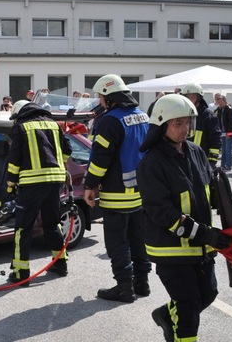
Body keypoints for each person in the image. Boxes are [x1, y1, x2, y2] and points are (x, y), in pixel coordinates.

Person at [137, 94, 232, 342]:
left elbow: (207, 190)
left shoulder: (195, 152)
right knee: (189, 308)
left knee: (208, 294)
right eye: (177, 123)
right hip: (171, 250)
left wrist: (230, 207)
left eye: (187, 122)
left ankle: (168, 317)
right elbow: (162, 213)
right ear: (162, 125)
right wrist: (205, 234)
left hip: (201, 247)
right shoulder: (151, 163)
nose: (184, 129)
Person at [83, 74, 151, 303]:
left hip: (116, 193)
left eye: (101, 97)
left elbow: (100, 159)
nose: (100, 101)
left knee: (117, 242)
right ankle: (142, 283)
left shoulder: (111, 120)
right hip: (140, 191)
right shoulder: (142, 115)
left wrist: (90, 185)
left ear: (109, 98)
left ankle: (124, 288)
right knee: (137, 238)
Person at [5, 100, 72, 285]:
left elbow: (14, 159)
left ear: (19, 113)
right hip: (55, 182)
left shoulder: (21, 126)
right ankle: (60, 264)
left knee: (23, 228)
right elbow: (68, 150)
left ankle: (21, 273)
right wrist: (60, 166)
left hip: (32, 184)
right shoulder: (54, 124)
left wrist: (10, 184)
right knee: (52, 224)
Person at [180, 83, 221, 167]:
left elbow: (215, 141)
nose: (189, 100)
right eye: (187, 97)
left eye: (192, 97)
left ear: (199, 98)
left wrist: (211, 162)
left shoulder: (209, 117)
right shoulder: (180, 114)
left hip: (201, 160)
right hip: (183, 158)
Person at [214, 95, 232, 171]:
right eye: (219, 102)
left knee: (228, 149)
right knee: (223, 150)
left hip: (228, 132)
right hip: (222, 132)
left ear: (225, 101)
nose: (220, 103)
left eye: (221, 102)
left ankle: (228, 165)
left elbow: (231, 122)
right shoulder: (219, 109)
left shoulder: (229, 109)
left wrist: (229, 133)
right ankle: (222, 165)